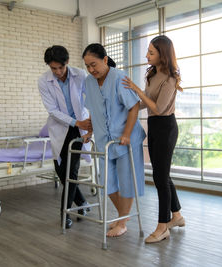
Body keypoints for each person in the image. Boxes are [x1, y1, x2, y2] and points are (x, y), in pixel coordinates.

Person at [122, 35, 185, 243]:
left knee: (159, 178)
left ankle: (162, 226)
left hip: (166, 127)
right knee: (162, 175)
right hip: (155, 127)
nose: (146, 55)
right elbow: (148, 103)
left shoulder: (170, 78)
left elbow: (158, 108)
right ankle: (176, 216)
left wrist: (137, 90)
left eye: (151, 52)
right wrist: (129, 107)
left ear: (162, 54)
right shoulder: (152, 74)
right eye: (147, 51)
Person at [81, 43, 146, 237]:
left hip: (126, 139)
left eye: (94, 64)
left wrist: (126, 134)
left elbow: (134, 107)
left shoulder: (119, 77)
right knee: (107, 183)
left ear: (105, 60)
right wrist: (90, 132)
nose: (92, 70)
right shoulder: (89, 82)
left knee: (126, 182)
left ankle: (123, 222)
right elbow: (93, 109)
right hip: (104, 140)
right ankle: (122, 217)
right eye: (88, 66)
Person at [38, 45, 91, 229]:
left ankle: (65, 214)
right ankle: (83, 203)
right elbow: (52, 110)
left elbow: (91, 98)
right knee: (61, 170)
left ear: (67, 62)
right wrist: (76, 122)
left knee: (71, 171)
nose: (58, 72)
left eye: (60, 67)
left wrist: (88, 121)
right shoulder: (44, 81)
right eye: (53, 68)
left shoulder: (81, 75)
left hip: (79, 129)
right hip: (61, 127)